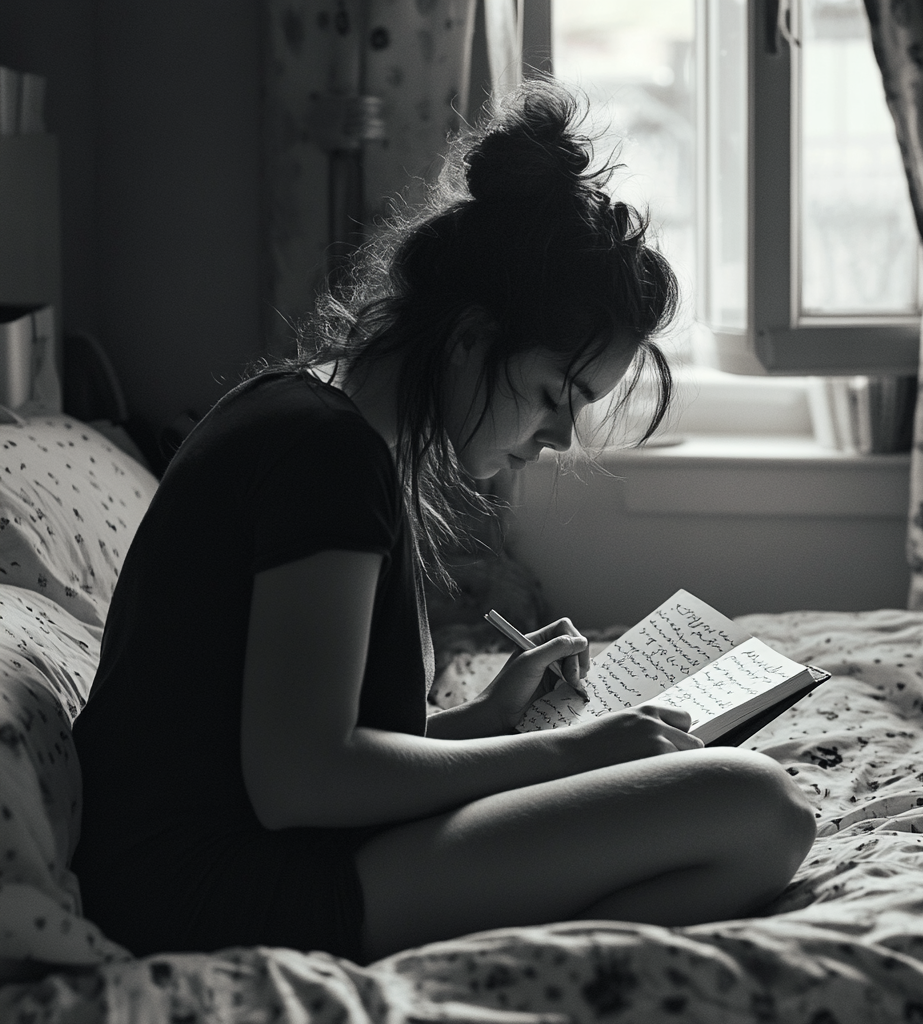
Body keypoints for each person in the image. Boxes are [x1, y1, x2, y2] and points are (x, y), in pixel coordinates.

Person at [71, 81, 816, 965]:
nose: (558, 437)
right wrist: (571, 756)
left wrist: (492, 719)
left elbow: (303, 738)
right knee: (757, 809)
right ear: (470, 335)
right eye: (554, 394)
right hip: (218, 888)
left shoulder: (322, 419)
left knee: (752, 812)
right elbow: (301, 780)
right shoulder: (324, 454)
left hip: (241, 856)